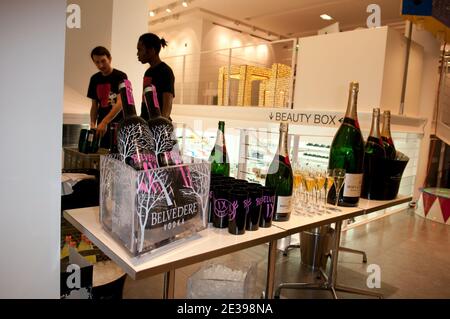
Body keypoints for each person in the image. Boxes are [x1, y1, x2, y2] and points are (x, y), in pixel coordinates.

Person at [87, 46, 127, 149]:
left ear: (110, 58)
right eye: (97, 62)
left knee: (117, 157)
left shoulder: (121, 76)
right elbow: (94, 106)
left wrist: (104, 122)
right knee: (103, 156)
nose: (100, 65)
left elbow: (120, 103)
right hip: (102, 128)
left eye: (103, 61)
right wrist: (92, 124)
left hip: (118, 125)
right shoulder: (94, 79)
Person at [137, 33, 175, 120]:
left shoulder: (166, 71)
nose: (137, 54)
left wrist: (161, 125)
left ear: (151, 51)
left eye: (140, 50)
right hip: (146, 123)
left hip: (158, 127)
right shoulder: (148, 72)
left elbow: (167, 103)